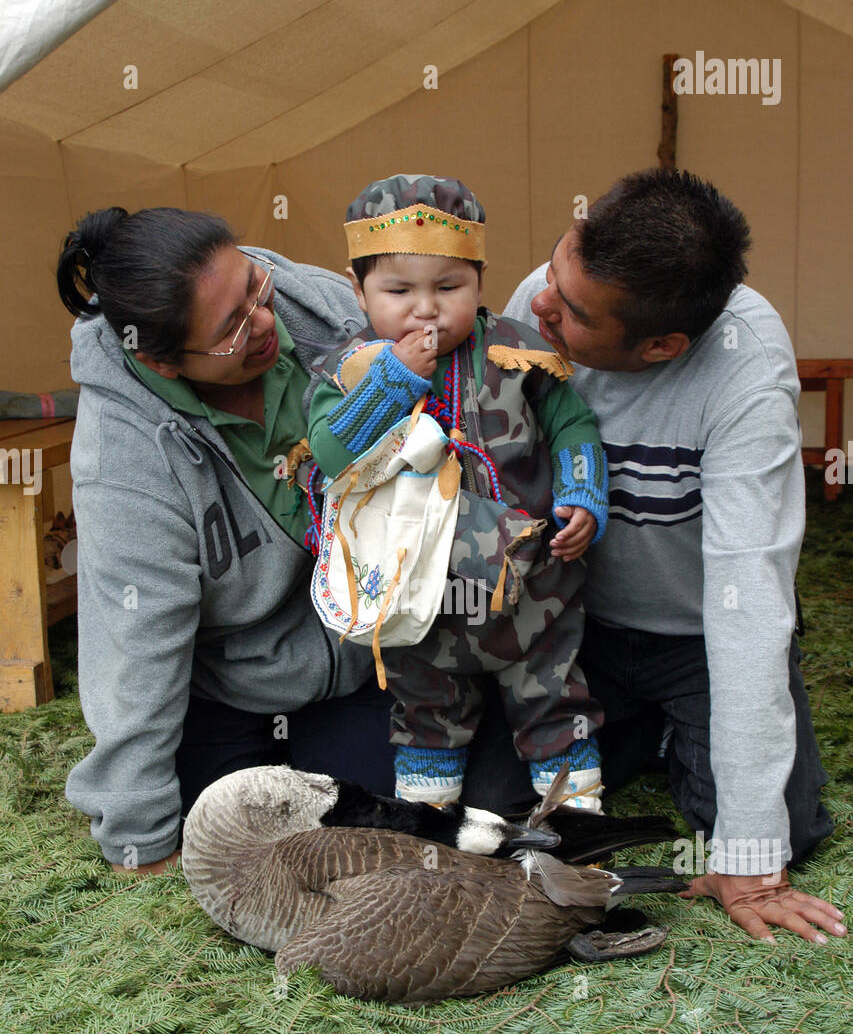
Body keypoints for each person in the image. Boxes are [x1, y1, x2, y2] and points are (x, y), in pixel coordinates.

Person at [56, 206, 521, 876]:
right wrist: (141, 835)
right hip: (246, 680)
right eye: (231, 330)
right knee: (242, 842)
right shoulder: (123, 454)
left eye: (255, 289)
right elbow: (135, 638)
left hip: (379, 650)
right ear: (160, 363)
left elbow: (472, 377)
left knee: (431, 822)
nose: (265, 323)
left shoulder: (320, 309)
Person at [504, 167, 844, 947]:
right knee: (499, 807)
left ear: (662, 346)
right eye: (557, 267)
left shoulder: (747, 373)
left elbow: (749, 594)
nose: (541, 305)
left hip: (696, 635)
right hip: (571, 626)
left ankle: (665, 728)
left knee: (779, 824)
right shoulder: (541, 300)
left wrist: (752, 856)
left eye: (575, 312)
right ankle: (651, 733)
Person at [305, 174, 608, 810]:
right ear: (357, 290)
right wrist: (390, 383)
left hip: (530, 586)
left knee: (554, 696)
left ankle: (579, 827)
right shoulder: (347, 370)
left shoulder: (519, 353)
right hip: (418, 594)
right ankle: (429, 826)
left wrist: (584, 493)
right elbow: (333, 456)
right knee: (426, 713)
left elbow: (572, 424)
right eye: (398, 290)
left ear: (479, 278)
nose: (425, 309)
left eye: (449, 287)